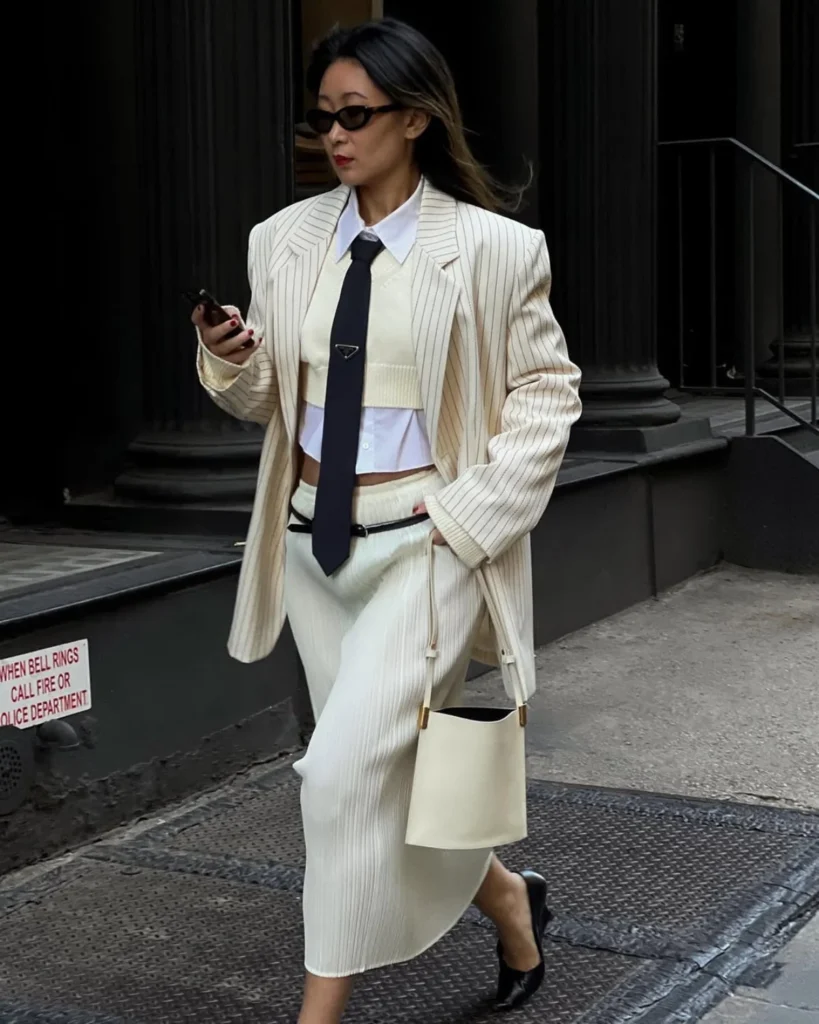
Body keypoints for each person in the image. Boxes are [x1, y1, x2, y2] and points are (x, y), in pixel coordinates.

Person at [193, 18, 581, 1024]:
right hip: (315, 544)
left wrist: (465, 516)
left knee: (335, 777)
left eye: (355, 115)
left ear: (413, 118)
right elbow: (272, 398)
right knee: (386, 776)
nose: (335, 135)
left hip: (427, 540)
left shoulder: (496, 250)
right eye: (323, 117)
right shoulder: (283, 241)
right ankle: (508, 897)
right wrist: (234, 356)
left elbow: (548, 391)